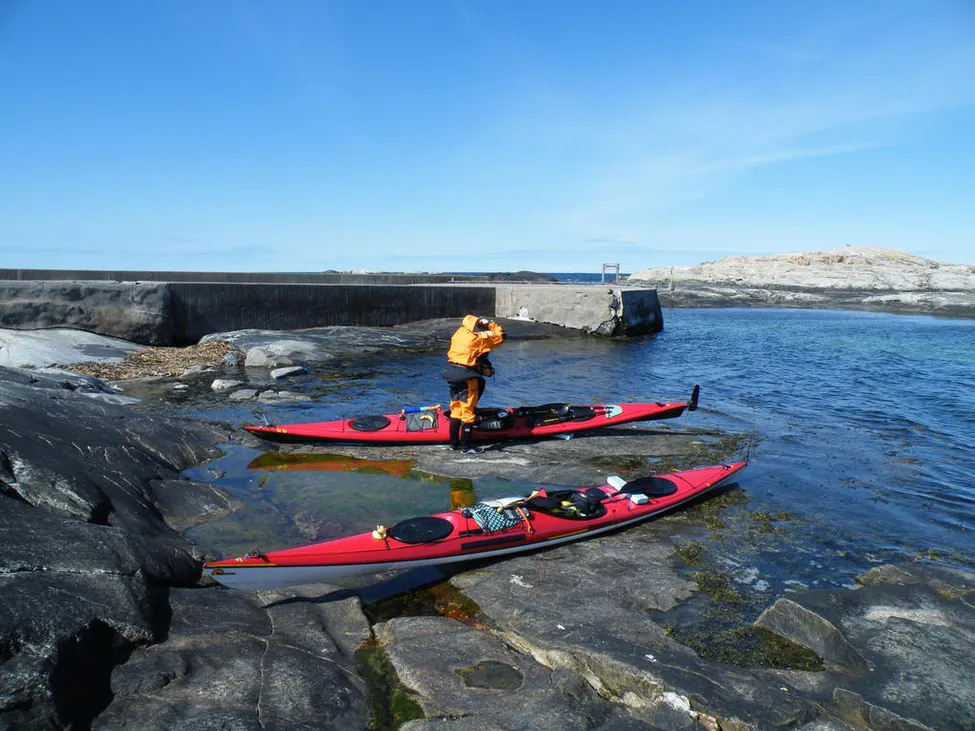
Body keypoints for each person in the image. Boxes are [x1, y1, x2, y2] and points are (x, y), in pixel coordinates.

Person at [442, 315, 506, 453]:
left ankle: (454, 444)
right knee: (468, 411)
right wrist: (490, 324)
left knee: (456, 409)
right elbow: (501, 336)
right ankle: (466, 447)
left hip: (452, 374)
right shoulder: (478, 339)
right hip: (466, 376)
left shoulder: (459, 333)